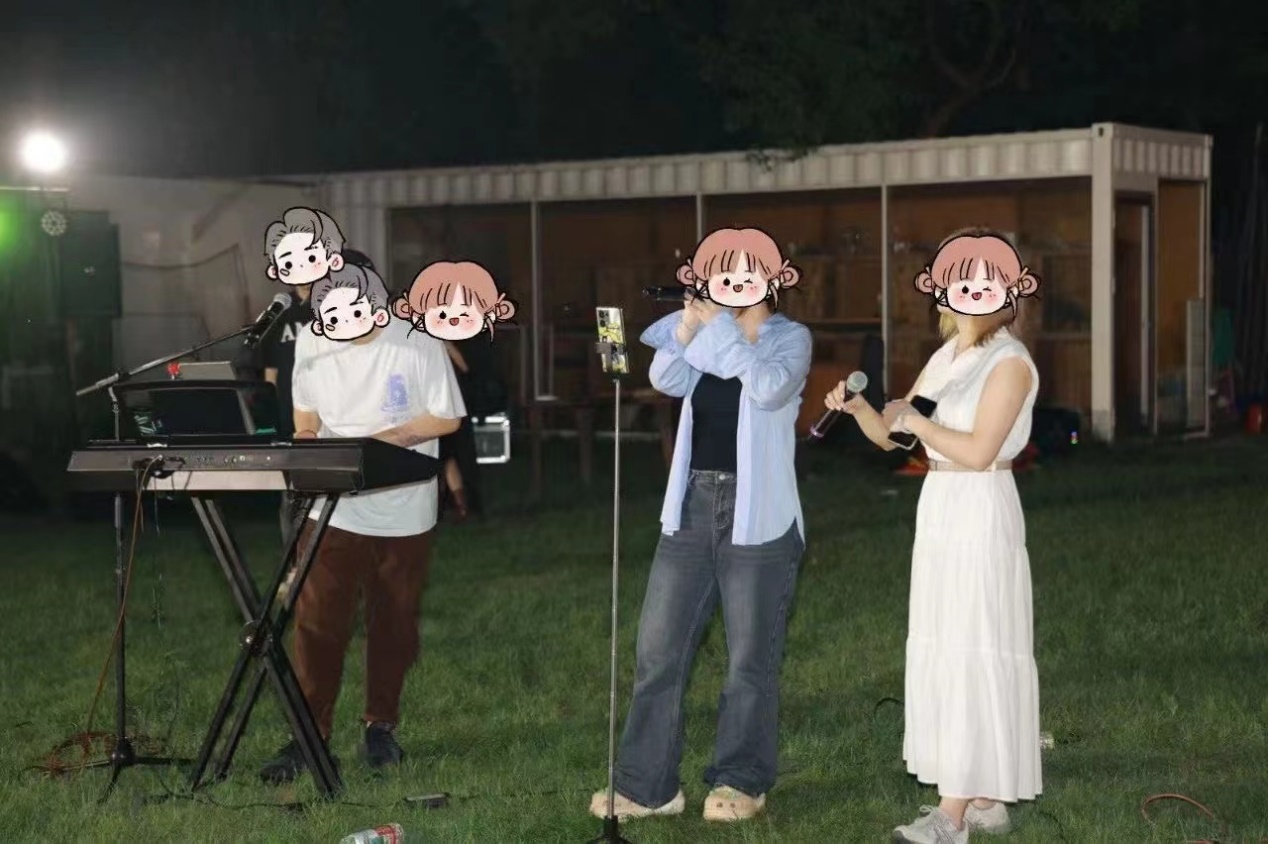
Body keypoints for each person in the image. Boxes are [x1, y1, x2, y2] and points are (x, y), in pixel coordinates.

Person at [823, 228, 1042, 842]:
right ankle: (986, 797)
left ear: (1010, 291)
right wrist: (864, 411)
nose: (971, 291)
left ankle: (953, 816)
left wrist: (918, 424)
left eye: (985, 281)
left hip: (980, 505)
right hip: (941, 507)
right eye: (960, 280)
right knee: (948, 642)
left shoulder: (1010, 363)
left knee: (974, 644)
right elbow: (896, 434)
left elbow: (978, 451)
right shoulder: (947, 357)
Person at [589, 227, 810, 824]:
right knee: (658, 650)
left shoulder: (790, 340)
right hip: (690, 504)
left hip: (759, 515)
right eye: (719, 275)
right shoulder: (710, 336)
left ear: (773, 280)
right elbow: (666, 378)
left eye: (743, 275)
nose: (729, 286)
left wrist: (719, 332)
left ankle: (742, 779)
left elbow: (767, 389)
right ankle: (648, 786)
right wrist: (689, 327)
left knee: (749, 660)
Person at [258, 261, 466, 784]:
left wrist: (375, 450)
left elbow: (447, 417)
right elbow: (306, 415)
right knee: (316, 621)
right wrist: (308, 445)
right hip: (332, 506)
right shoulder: (312, 339)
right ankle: (309, 735)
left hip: (403, 506)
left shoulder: (416, 340)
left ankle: (380, 727)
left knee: (392, 621)